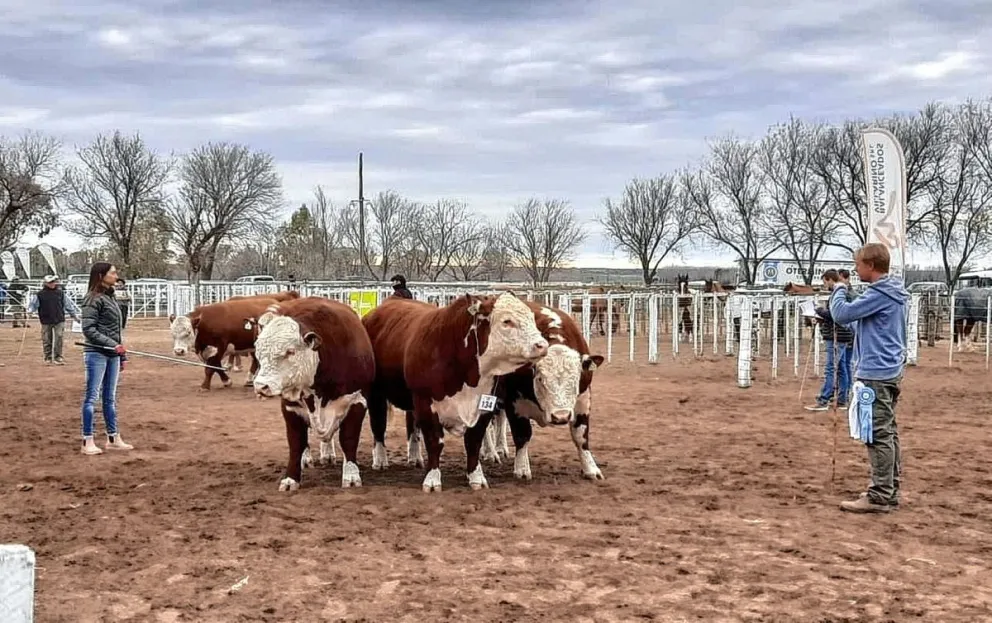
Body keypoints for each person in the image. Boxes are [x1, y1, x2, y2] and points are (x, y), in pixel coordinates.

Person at [829, 243, 908, 513]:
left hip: (875, 373)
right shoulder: (890, 293)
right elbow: (859, 322)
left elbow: (842, 313)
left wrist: (839, 290)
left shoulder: (880, 293)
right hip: (887, 370)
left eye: (858, 264)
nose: (855, 269)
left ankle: (880, 495)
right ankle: (889, 489)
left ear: (871, 266)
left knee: (877, 433)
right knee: (887, 432)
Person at [79, 261, 134, 455]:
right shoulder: (92, 299)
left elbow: (115, 331)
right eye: (112, 273)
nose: (116, 276)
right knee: (91, 397)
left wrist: (122, 354)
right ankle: (87, 441)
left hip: (112, 354)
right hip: (96, 353)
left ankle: (113, 437)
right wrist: (113, 346)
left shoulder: (110, 298)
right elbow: (88, 329)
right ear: (101, 276)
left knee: (109, 398)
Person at [26, 275, 82, 365]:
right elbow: (33, 304)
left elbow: (68, 305)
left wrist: (74, 315)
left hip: (59, 318)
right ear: (46, 283)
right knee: (47, 339)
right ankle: (47, 357)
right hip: (45, 319)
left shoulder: (60, 293)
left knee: (59, 337)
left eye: (53, 282)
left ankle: (58, 357)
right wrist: (30, 311)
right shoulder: (40, 294)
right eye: (50, 282)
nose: (52, 284)